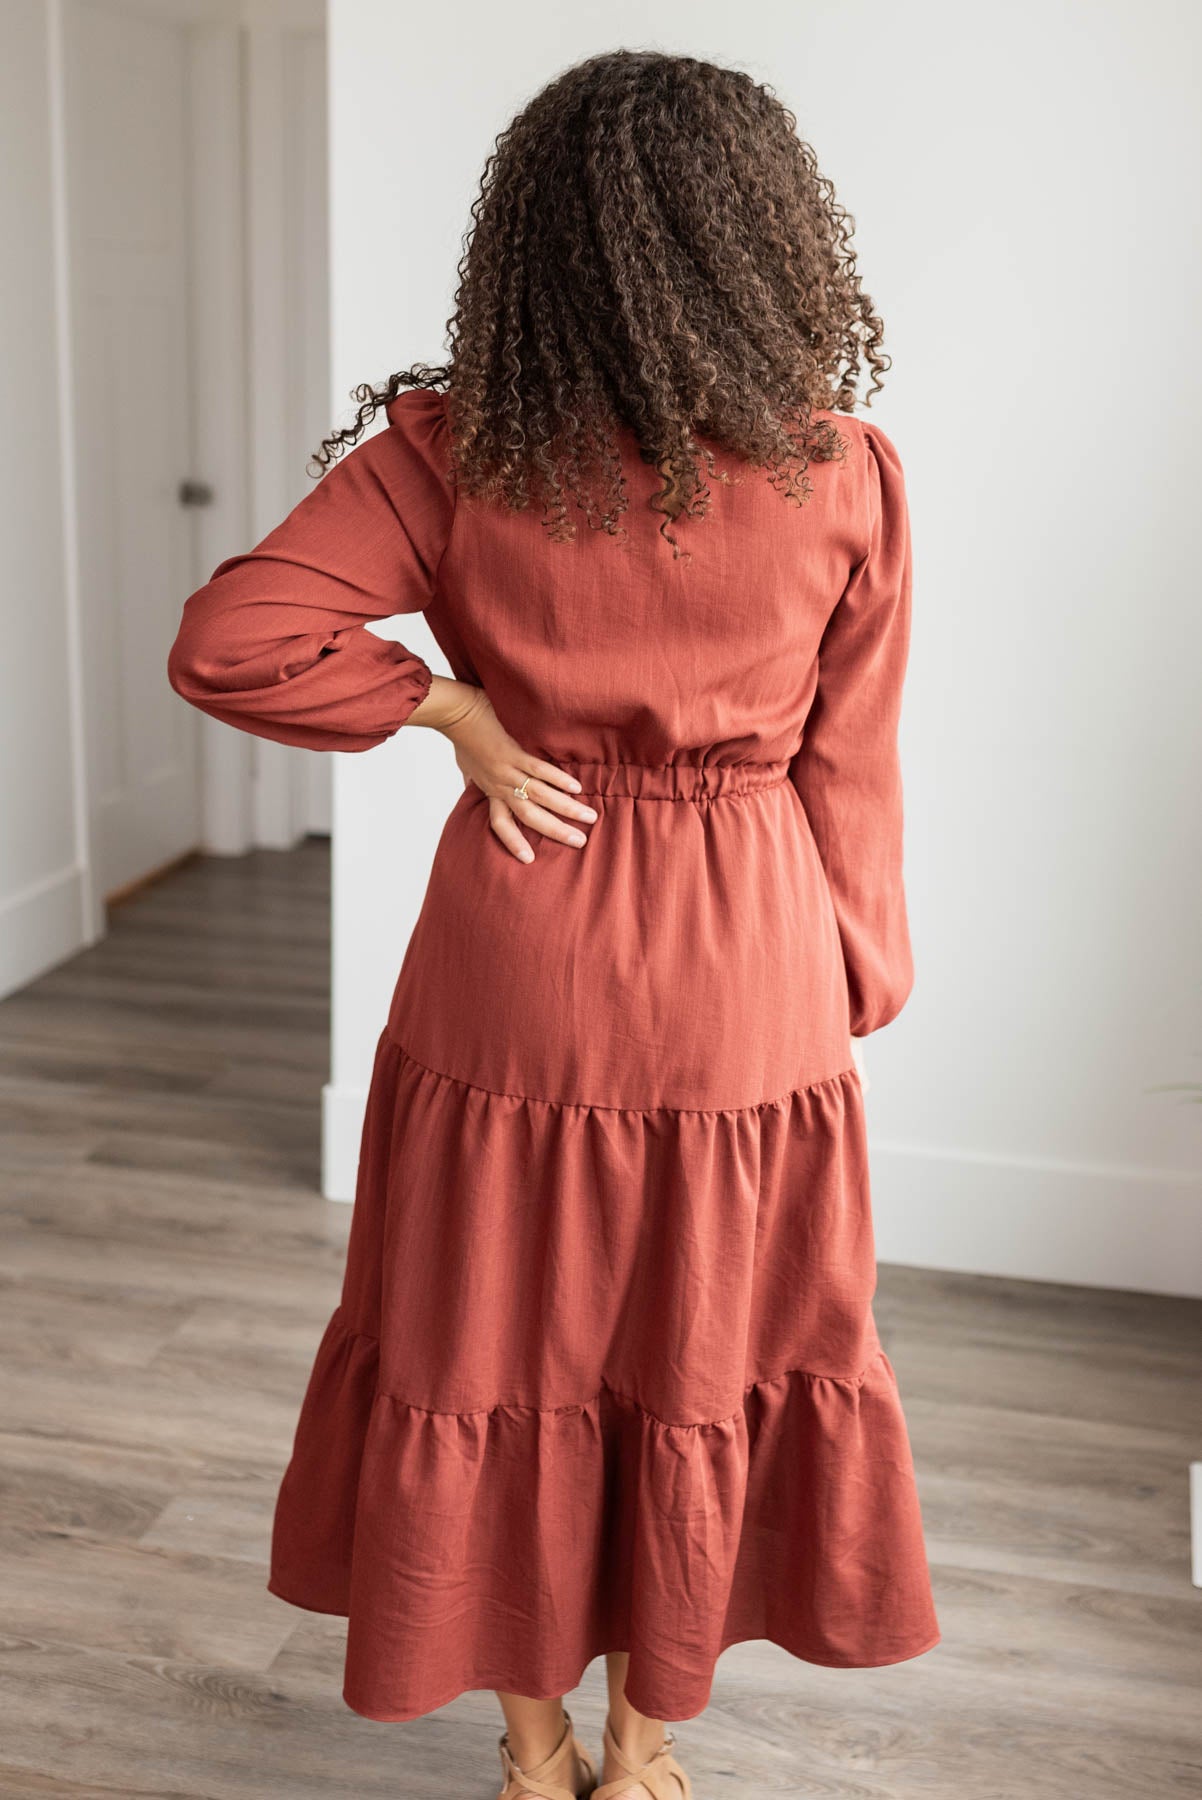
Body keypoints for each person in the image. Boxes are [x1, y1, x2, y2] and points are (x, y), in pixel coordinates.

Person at [167, 47, 939, 1800]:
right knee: (705, 1350)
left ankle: (528, 1757)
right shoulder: (845, 474)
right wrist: (847, 984)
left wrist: (455, 713)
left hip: (520, 947)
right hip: (748, 960)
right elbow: (854, 771)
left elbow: (230, 642)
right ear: (764, 243)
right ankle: (640, 1749)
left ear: (527, 247)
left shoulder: (448, 457)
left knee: (488, 1339)